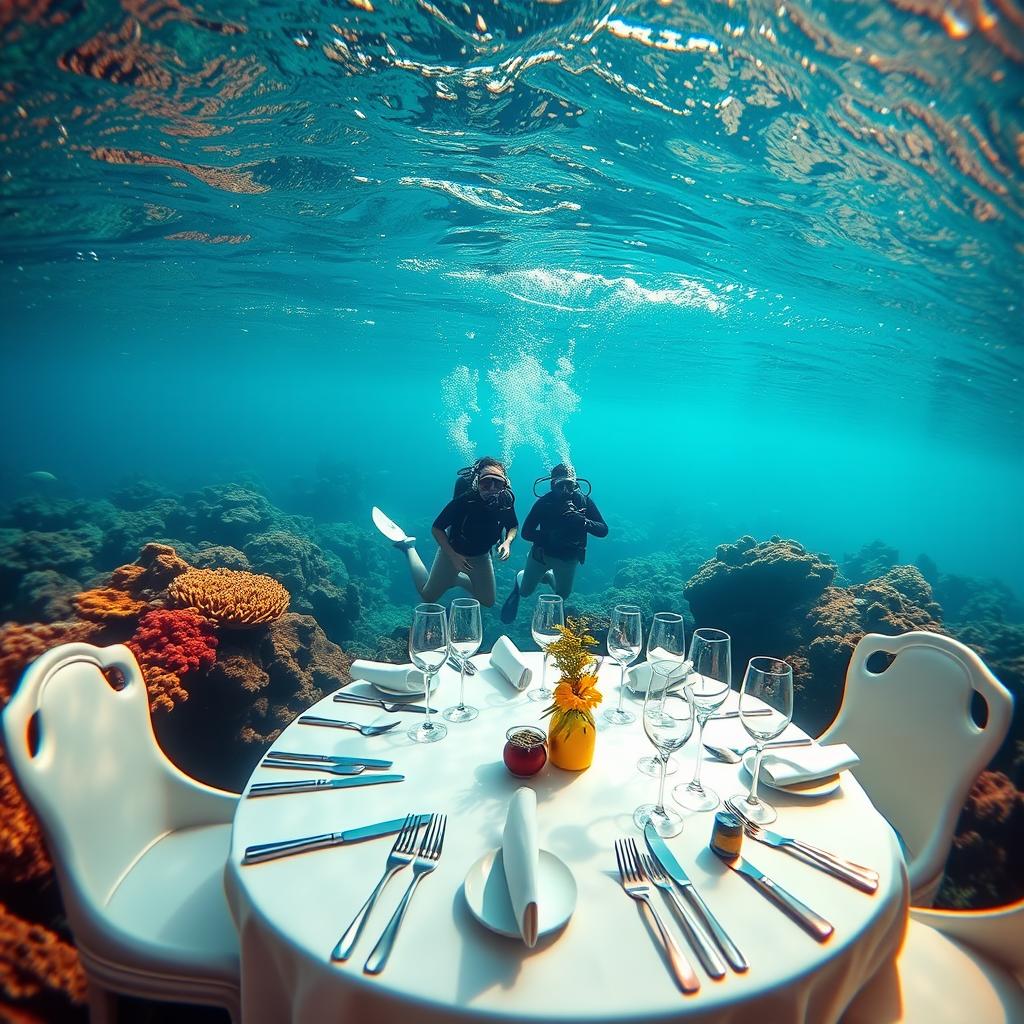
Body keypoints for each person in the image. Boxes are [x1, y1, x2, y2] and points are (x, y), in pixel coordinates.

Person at [372, 457, 517, 608]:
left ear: (505, 484)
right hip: (453, 551)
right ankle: (408, 546)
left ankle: (455, 579)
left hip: (481, 555)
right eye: (486, 483)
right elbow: (437, 528)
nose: (492, 488)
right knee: (428, 596)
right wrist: (453, 557)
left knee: (488, 601)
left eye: (497, 482)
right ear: (477, 482)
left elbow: (512, 525)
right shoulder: (464, 501)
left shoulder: (505, 501)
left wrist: (507, 542)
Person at [500, 463, 607, 622]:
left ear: (575, 484)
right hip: (542, 555)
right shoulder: (544, 503)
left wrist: (584, 522)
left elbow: (603, 530)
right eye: (560, 485)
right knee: (525, 592)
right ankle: (520, 577)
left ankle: (549, 576)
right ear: (552, 485)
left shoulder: (583, 502)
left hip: (568, 558)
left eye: (569, 485)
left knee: (562, 596)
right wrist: (550, 537)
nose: (565, 490)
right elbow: (526, 532)